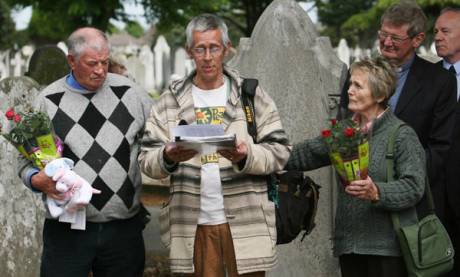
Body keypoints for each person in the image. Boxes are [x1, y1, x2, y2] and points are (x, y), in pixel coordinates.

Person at [138, 14, 290, 276]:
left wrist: (246, 155)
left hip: (246, 224)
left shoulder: (250, 95)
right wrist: (168, 156)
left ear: (226, 49)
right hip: (192, 226)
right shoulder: (170, 100)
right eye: (200, 48)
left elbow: (281, 151)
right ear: (189, 52)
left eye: (214, 48)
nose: (207, 56)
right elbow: (146, 160)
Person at [18, 27, 153, 277]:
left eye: (105, 62)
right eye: (92, 63)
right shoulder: (48, 101)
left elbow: (155, 143)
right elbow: (24, 162)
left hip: (123, 230)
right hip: (67, 231)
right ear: (71, 60)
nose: (100, 70)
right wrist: (37, 180)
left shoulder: (131, 94)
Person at [287, 57, 426, 277]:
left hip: (387, 252)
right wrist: (253, 155)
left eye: (358, 86)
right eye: (350, 84)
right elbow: (304, 154)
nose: (349, 90)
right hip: (349, 248)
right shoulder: (344, 132)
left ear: (380, 95)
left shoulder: (401, 135)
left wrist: (377, 192)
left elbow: (414, 187)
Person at [338, 3, 457, 221]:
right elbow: (343, 130)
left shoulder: (439, 81)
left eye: (395, 38)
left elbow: (440, 148)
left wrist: (397, 183)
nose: (386, 42)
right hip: (360, 199)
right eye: (383, 34)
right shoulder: (358, 73)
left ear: (417, 39)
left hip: (413, 206)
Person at [434, 7, 460, 277]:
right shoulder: (425, 78)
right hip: (434, 194)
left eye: (445, 31)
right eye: (435, 32)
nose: (438, 37)